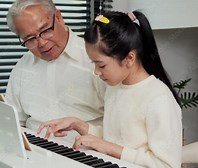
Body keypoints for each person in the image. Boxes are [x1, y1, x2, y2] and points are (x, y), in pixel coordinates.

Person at [37, 10, 182, 168]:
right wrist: (77, 124)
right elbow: (114, 139)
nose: (96, 72)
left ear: (129, 58)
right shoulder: (115, 88)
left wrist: (109, 148)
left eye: (101, 65)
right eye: (93, 64)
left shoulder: (158, 98)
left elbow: (167, 165)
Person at [5, 0, 105, 131]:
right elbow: (15, 122)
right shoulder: (22, 67)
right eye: (30, 39)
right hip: (35, 148)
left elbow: (120, 129)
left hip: (85, 147)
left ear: (58, 17)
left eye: (45, 30)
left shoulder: (97, 59)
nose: (41, 43)